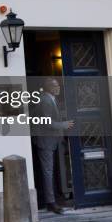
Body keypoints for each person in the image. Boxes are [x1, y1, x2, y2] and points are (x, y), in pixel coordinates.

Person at [31, 78, 74, 215]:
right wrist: (64, 125)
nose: (58, 87)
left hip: (52, 141)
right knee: (48, 172)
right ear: (48, 87)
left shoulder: (50, 99)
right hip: (45, 141)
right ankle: (51, 203)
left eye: (58, 85)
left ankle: (52, 199)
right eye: (54, 85)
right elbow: (47, 122)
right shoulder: (45, 101)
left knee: (50, 171)